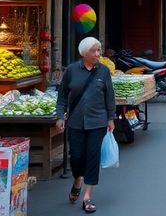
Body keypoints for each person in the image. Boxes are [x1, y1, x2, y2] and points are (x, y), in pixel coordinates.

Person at [55, 37, 116, 213]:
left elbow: (109, 97)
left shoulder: (103, 71)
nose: (98, 54)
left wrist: (110, 119)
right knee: (76, 157)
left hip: (98, 122)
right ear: (84, 53)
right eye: (94, 51)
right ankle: (77, 180)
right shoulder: (72, 71)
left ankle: (87, 197)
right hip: (75, 122)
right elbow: (62, 96)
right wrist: (60, 116)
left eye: (99, 50)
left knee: (92, 158)